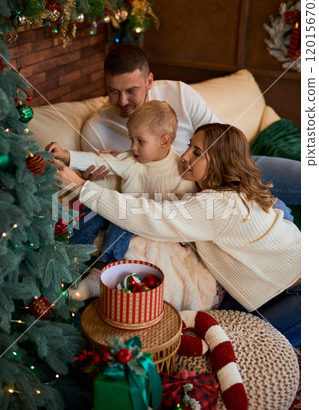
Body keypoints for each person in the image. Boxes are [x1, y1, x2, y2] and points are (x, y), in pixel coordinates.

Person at [51, 123, 301, 346]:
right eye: (189, 146)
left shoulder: (220, 205)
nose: (185, 155)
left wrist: (82, 187)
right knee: (218, 335)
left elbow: (151, 217)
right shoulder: (228, 193)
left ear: (218, 160)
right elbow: (157, 197)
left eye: (197, 152)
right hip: (276, 283)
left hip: (300, 294)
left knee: (247, 347)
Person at [80, 43, 301, 215]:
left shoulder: (179, 94)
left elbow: (221, 138)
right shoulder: (96, 130)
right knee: (278, 208)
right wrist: (92, 178)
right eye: (113, 91)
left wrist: (238, 181)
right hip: (187, 197)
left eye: (131, 90)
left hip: (222, 170)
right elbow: (110, 192)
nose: (122, 101)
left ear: (149, 81)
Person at [46, 100, 197, 300]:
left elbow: (181, 213)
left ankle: (100, 270)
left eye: (140, 141)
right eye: (131, 139)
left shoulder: (180, 174)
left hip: (142, 220)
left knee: (124, 220)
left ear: (164, 141)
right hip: (114, 207)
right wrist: (66, 155)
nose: (132, 147)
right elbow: (100, 161)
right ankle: (65, 257)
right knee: (92, 211)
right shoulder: (131, 159)